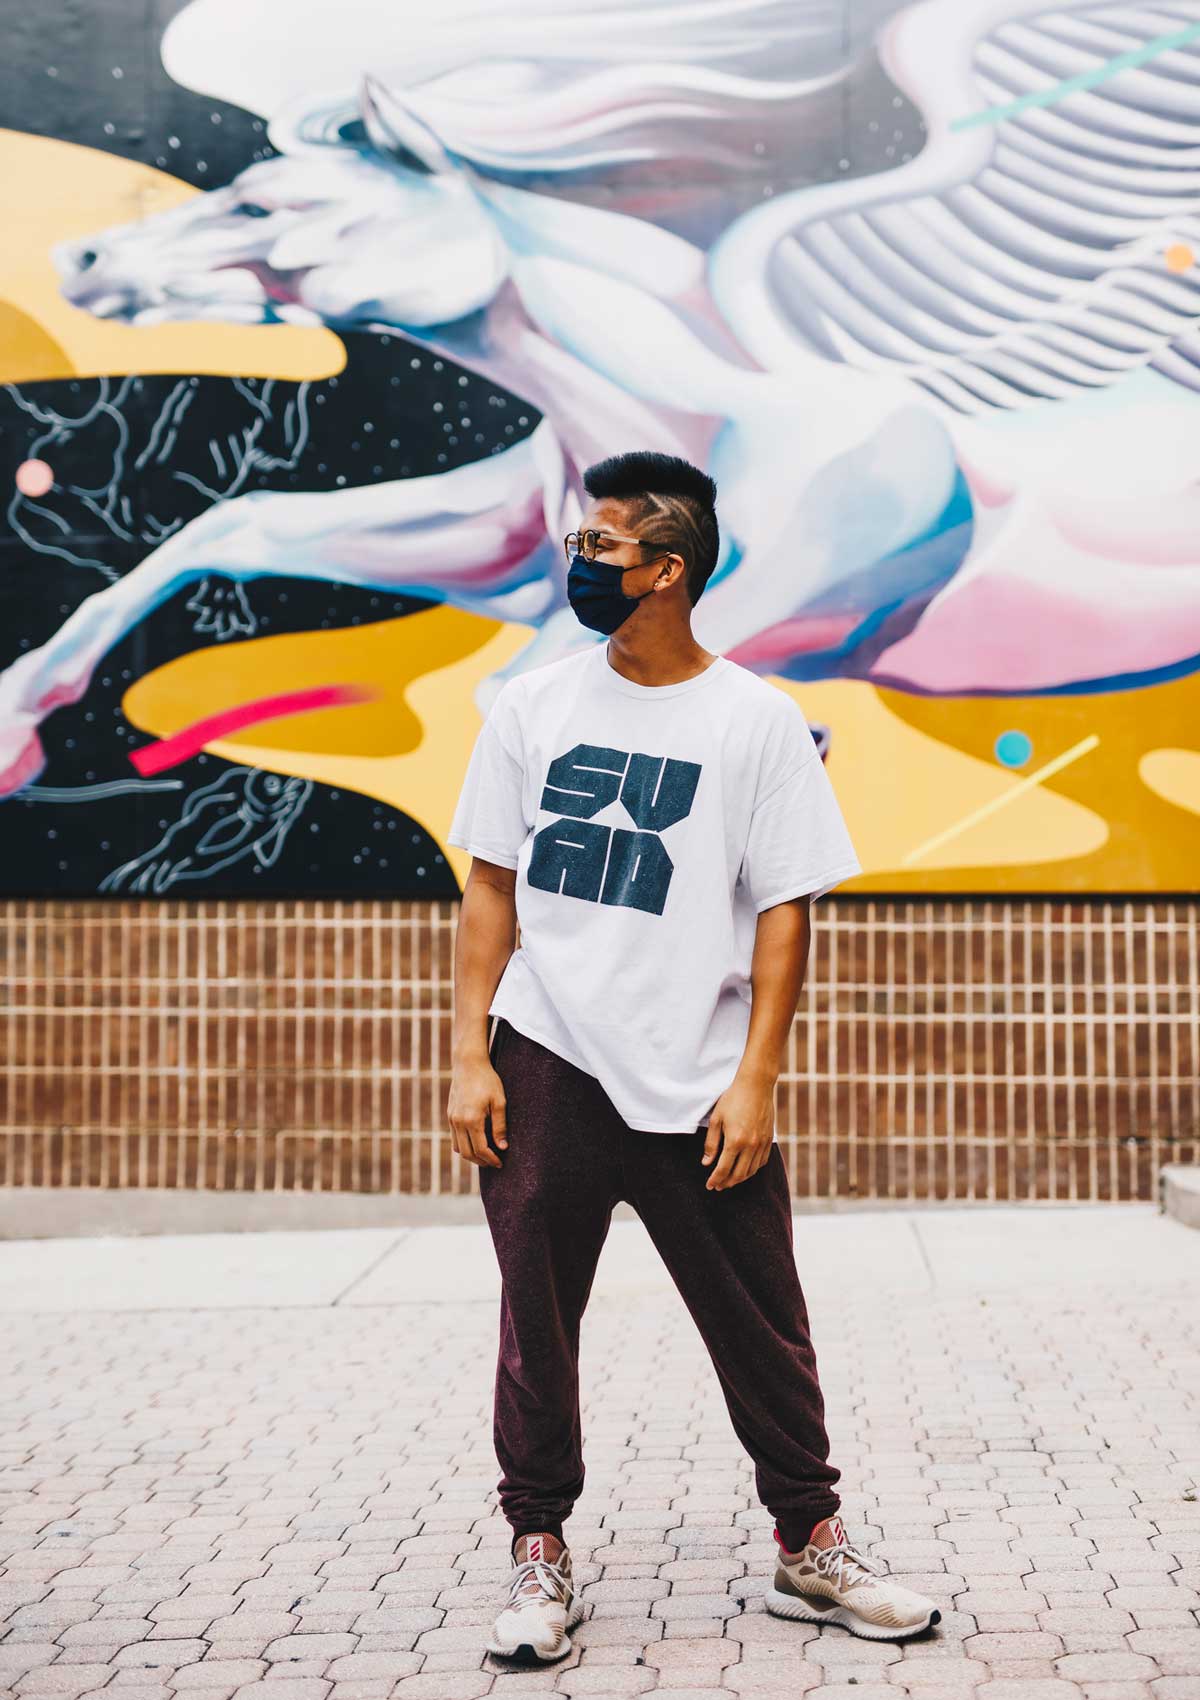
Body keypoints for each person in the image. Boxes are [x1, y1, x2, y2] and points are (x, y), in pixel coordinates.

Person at [446, 450, 942, 1663]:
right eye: (582, 543)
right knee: (538, 1319)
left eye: (603, 548)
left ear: (666, 569)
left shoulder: (756, 721)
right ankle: (540, 1550)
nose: (579, 563)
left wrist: (758, 1075)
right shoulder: (533, 703)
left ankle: (809, 1547)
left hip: (698, 1072)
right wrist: (469, 1052)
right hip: (551, 1051)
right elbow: (490, 885)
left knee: (762, 1317)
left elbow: (786, 907)